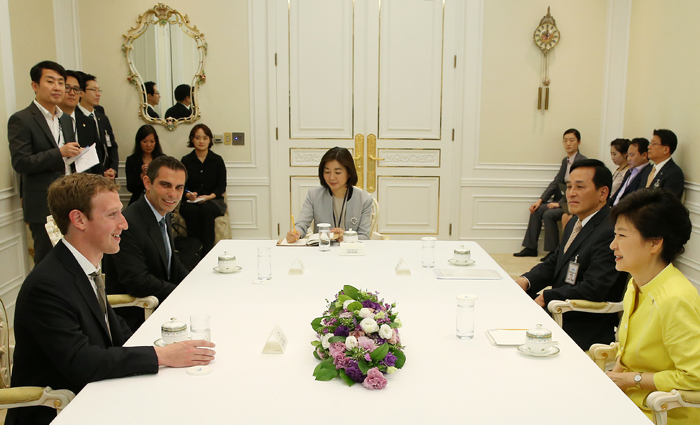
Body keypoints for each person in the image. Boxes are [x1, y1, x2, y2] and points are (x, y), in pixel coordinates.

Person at [6, 173, 215, 425]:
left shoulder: (81, 266)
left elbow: (108, 328)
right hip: (62, 411)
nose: (124, 224)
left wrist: (160, 351)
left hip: (98, 394)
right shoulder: (47, 285)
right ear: (79, 219)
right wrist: (161, 356)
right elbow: (80, 362)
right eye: (112, 215)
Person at [606, 189, 698, 424]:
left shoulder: (675, 298)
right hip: (629, 401)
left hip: (660, 412)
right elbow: (627, 353)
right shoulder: (635, 284)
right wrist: (615, 377)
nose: (612, 245)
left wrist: (629, 380)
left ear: (655, 243)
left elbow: (694, 377)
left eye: (622, 236)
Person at [515, 159, 627, 350]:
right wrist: (526, 280)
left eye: (580, 187)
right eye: (569, 186)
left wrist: (547, 297)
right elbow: (555, 261)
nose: (571, 193)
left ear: (603, 193)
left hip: (584, 322)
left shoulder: (610, 230)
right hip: (561, 307)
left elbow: (594, 288)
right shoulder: (577, 221)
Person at [103, 155, 190, 331]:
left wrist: (193, 283)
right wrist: (181, 293)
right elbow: (138, 282)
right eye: (165, 185)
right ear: (147, 182)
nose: (173, 194)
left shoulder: (162, 213)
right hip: (137, 317)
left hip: (162, 304)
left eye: (179, 187)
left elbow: (171, 262)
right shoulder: (129, 223)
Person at [8, 60, 80, 265]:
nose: (57, 87)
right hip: (42, 204)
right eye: (50, 81)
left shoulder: (65, 119)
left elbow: (66, 157)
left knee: (71, 258)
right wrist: (59, 153)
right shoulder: (22, 119)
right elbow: (21, 162)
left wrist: (76, 155)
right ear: (35, 86)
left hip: (70, 199)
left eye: (61, 82)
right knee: (47, 261)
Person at [514, 129, 587, 261]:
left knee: (549, 214)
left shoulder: (583, 162)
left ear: (579, 142)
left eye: (572, 140)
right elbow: (556, 182)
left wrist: (559, 204)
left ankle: (553, 252)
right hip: (561, 200)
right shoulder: (566, 161)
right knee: (536, 210)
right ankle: (531, 247)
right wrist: (541, 200)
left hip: (572, 202)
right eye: (565, 141)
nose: (568, 144)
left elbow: (576, 188)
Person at [286, 146, 373, 243]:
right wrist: (296, 232)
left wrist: (346, 236)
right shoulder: (314, 195)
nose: (331, 177)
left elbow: (365, 237)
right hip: (323, 250)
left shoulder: (364, 200)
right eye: (327, 172)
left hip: (350, 252)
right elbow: (301, 224)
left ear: (349, 173)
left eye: (338, 172)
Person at [179, 124, 227, 255]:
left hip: (213, 200)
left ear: (210, 140)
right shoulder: (186, 161)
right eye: (198, 138)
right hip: (191, 201)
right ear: (192, 139)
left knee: (206, 209)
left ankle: (207, 251)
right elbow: (181, 185)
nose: (201, 141)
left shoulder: (217, 160)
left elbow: (221, 186)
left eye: (205, 138)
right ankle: (194, 250)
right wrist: (189, 195)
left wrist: (208, 197)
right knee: (190, 210)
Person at [76, 73, 119, 180]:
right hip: (88, 178)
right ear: (81, 93)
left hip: (108, 176)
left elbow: (112, 146)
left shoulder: (102, 118)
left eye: (99, 90)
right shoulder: (75, 117)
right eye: (93, 90)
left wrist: (113, 168)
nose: (98, 94)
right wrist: (99, 174)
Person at [58, 70, 100, 170]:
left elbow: (96, 157)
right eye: (67, 88)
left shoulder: (88, 122)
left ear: (81, 93)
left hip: (83, 180)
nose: (72, 93)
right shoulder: (51, 120)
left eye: (76, 89)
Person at [125, 124, 164, 205]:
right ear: (139, 142)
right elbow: (131, 188)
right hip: (139, 199)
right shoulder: (132, 160)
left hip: (159, 198)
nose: (149, 145)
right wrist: (142, 176)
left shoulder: (162, 159)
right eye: (145, 141)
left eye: (152, 141)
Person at [610, 137, 652, 207]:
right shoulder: (630, 171)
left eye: (632, 155)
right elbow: (618, 193)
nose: (628, 159)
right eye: (628, 155)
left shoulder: (648, 173)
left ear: (644, 155)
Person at [645, 129, 685, 198]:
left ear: (666, 149)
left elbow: (667, 203)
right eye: (650, 143)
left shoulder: (674, 173)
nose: (649, 147)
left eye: (654, 144)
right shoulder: (648, 169)